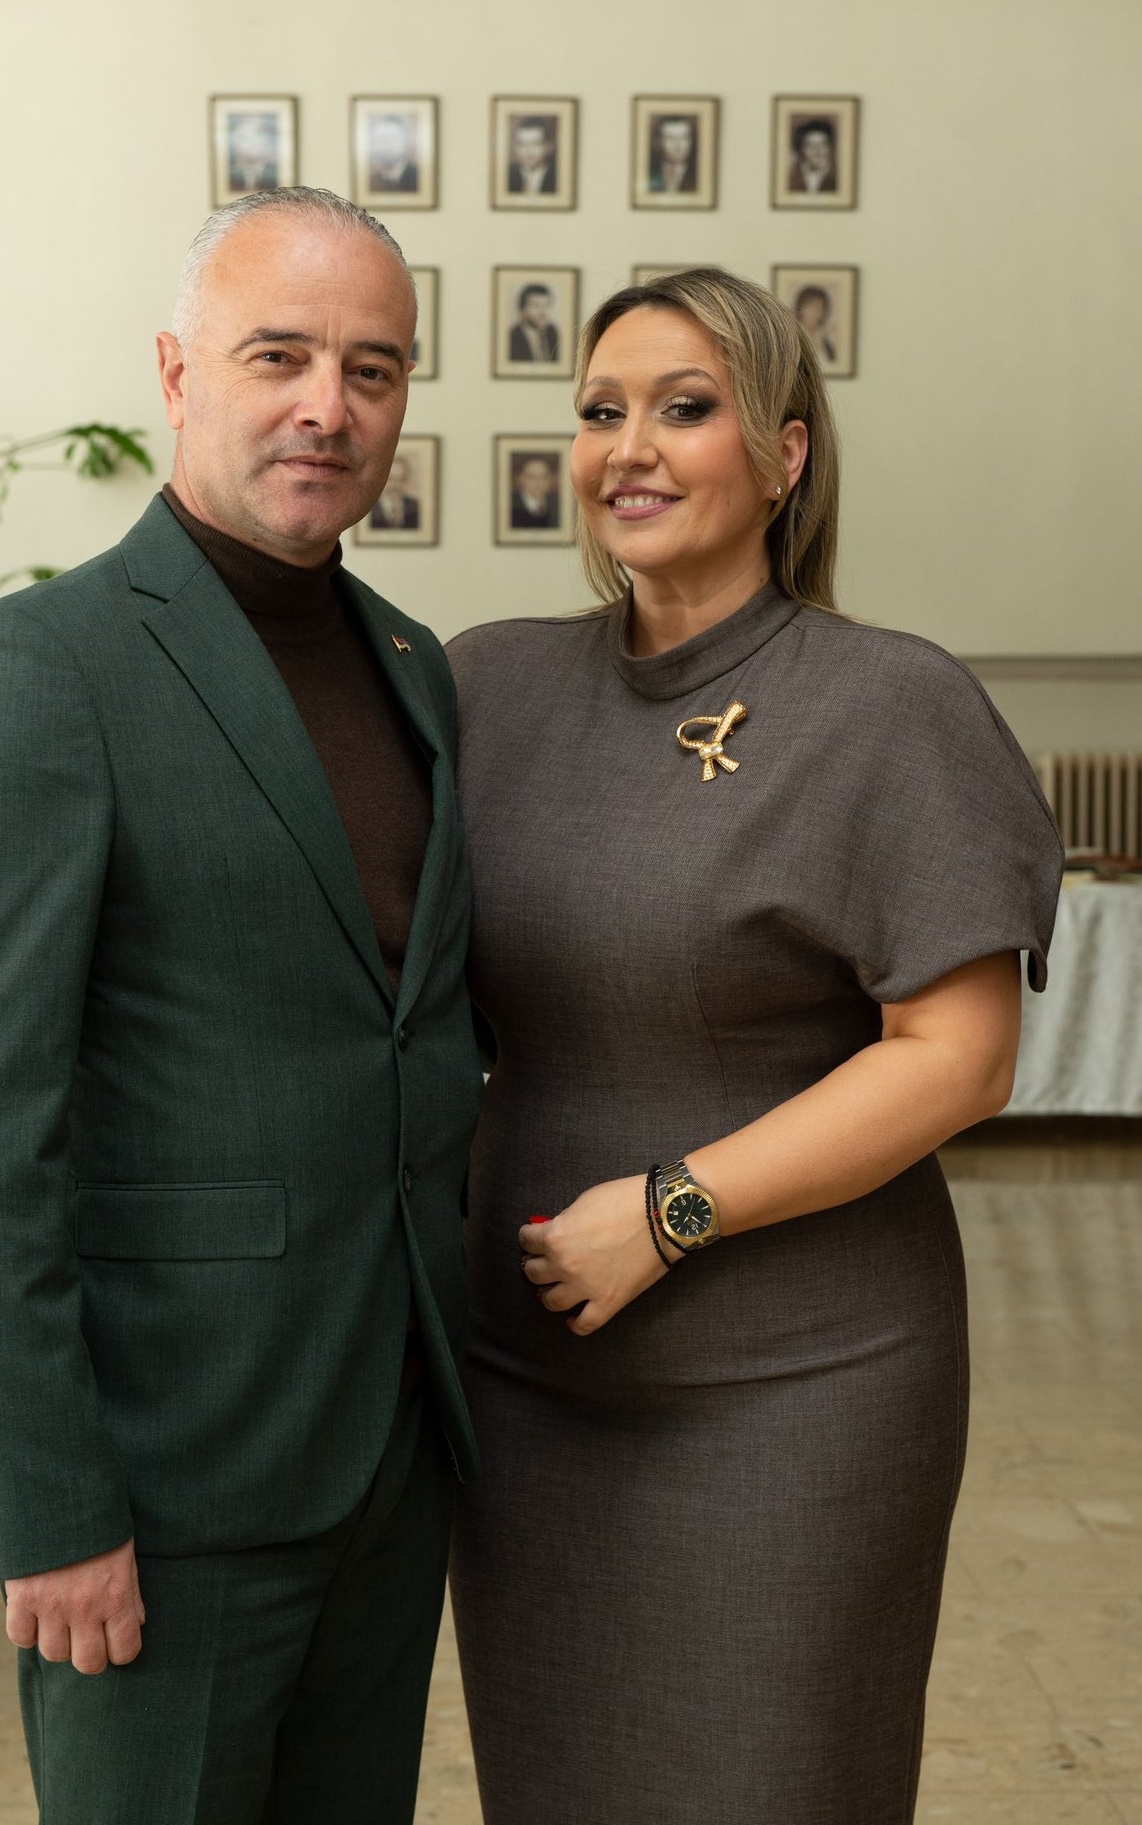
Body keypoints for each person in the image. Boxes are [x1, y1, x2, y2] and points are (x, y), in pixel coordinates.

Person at [0, 187, 485, 1825]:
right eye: (277, 356)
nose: (327, 405)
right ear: (175, 372)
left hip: (389, 1453)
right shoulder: (51, 664)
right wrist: (47, 1500)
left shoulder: (414, 665)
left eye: (372, 369)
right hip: (164, 1488)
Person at [445, 266, 1063, 1825]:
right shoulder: (487, 687)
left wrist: (671, 1211)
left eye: (684, 408)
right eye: (601, 411)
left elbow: (959, 1056)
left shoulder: (887, 704)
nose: (630, 448)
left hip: (800, 1389)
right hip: (527, 1384)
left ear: (786, 454)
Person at [226, 111, 280, 193]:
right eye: (243, 137)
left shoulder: (272, 173)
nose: (251, 144)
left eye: (257, 135)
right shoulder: (232, 174)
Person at [647, 112, 698, 195]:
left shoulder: (698, 175)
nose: (678, 145)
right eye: (670, 138)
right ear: (658, 142)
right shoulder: (649, 173)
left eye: (684, 137)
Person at [505, 116, 558, 196]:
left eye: (535, 143)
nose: (528, 152)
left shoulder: (558, 177)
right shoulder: (506, 175)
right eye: (522, 144)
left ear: (549, 146)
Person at [367, 113, 420, 193]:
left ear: (405, 142)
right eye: (380, 140)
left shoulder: (419, 177)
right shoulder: (370, 181)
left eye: (391, 139)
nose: (385, 146)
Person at [507, 283, 559, 363]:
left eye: (545, 305)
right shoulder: (513, 336)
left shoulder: (553, 332)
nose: (542, 312)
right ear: (522, 309)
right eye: (536, 306)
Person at [370, 452, 421, 531]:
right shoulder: (371, 506)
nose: (395, 485)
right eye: (390, 479)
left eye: (400, 479)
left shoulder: (415, 506)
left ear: (406, 480)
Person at [788, 114, 839, 193]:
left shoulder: (838, 177)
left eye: (822, 144)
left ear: (829, 147)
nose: (817, 150)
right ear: (801, 149)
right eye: (810, 145)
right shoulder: (792, 178)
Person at [508, 454, 559, 530]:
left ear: (550, 479)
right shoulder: (509, 504)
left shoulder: (558, 503)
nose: (538, 482)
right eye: (531, 477)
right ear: (520, 478)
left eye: (543, 477)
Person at [794, 282, 839, 362]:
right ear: (800, 307)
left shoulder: (827, 343)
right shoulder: (793, 339)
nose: (815, 313)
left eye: (820, 308)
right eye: (811, 306)